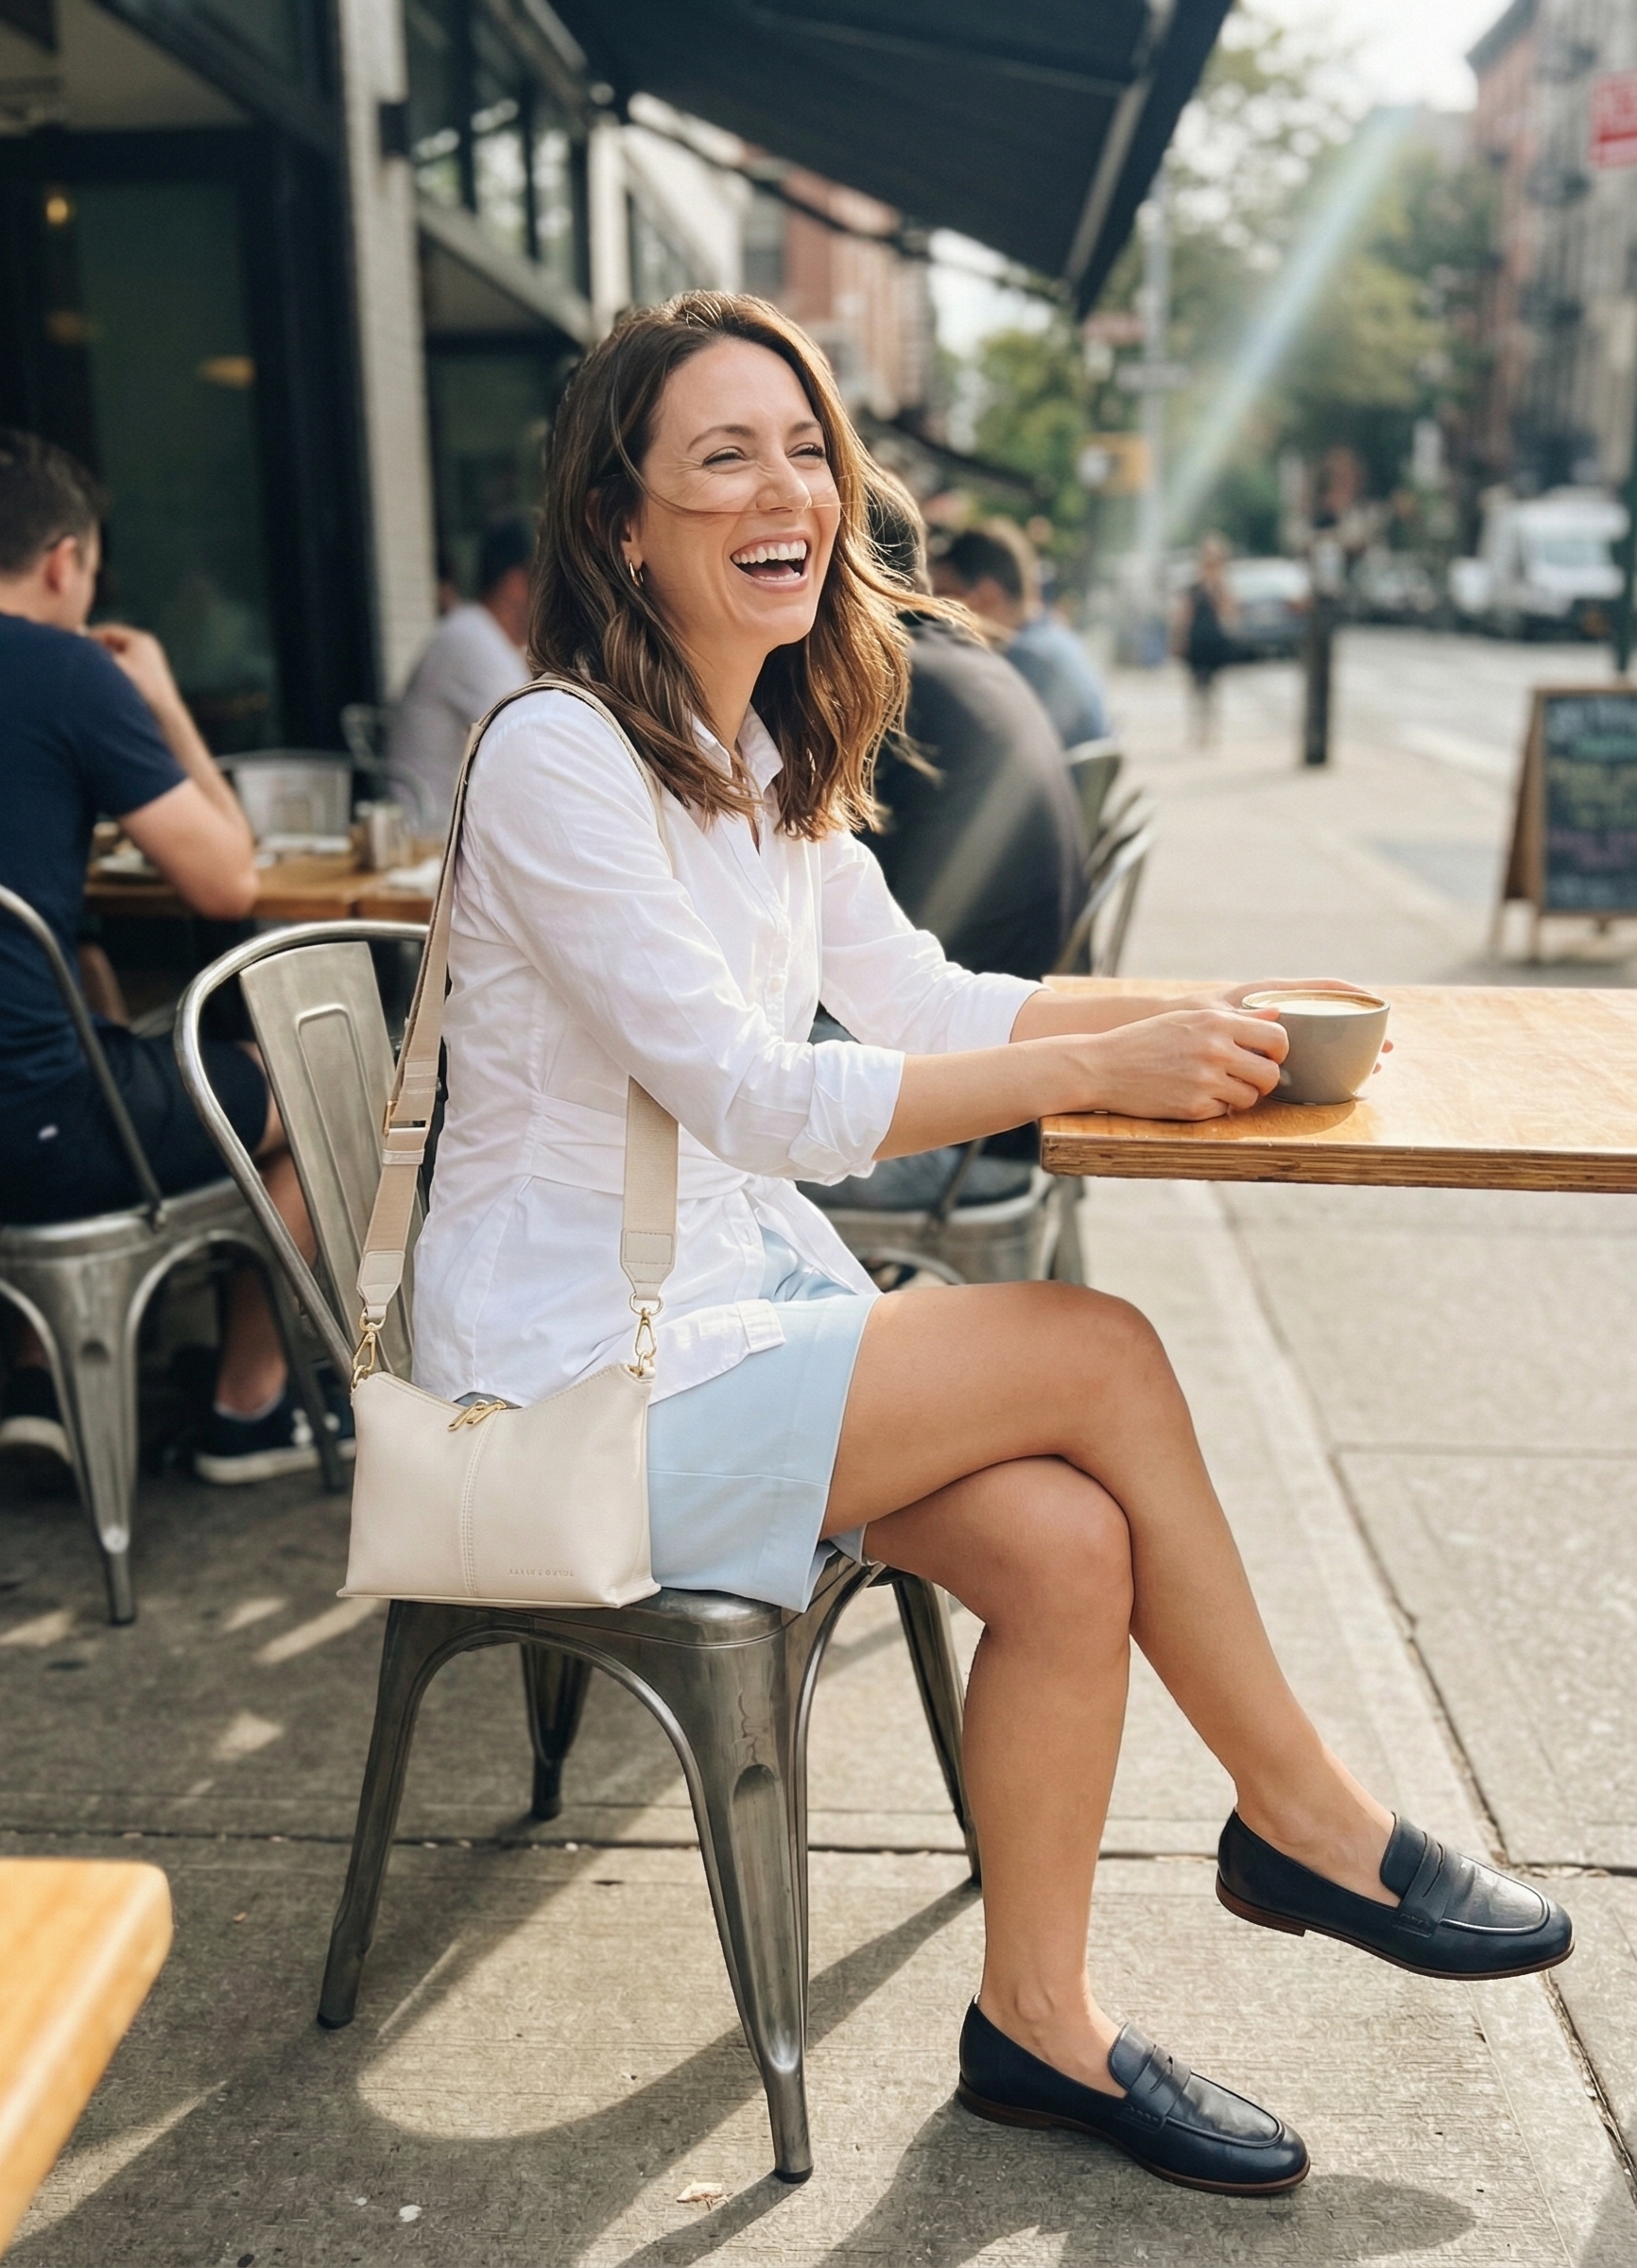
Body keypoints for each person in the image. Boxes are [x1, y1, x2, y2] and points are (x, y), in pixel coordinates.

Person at [412, 292, 1571, 2199]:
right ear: (621, 524)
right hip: (556, 1391)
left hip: (724, 1321)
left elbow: (928, 995)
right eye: (721, 457)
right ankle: (1301, 1818)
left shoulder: (764, 754)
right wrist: (1112, 1061)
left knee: (1064, 1542)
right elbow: (755, 1098)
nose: (781, 486)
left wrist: (1197, 1015)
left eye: (802, 448)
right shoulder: (557, 756)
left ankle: (1035, 2022)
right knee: (1095, 1353)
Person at [0, 427, 338, 1485]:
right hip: (37, 1131)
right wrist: (160, 698)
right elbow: (227, 881)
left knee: (20, 1018)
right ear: (63, 561)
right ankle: (247, 1409)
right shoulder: (64, 670)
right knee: (321, 1082)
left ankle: (44, 1384)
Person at [807, 470, 1084, 1211]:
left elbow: (827, 957)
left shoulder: (885, 687)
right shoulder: (971, 664)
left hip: (966, 1136)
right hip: (1008, 1099)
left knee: (678, 1152)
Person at [386, 513, 535, 830]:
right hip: (432, 843)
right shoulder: (472, 640)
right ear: (516, 584)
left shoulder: (485, 636)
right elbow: (536, 752)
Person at [934, 521, 1111, 749]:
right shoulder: (1055, 639)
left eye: (946, 595)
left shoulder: (1021, 659)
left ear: (987, 595)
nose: (936, 610)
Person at [1178, 532, 1238, 750]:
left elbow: (1229, 614)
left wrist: (1219, 588)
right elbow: (1185, 616)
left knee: (1214, 689)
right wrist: (1180, 641)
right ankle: (1196, 731)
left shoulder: (1222, 588)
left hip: (1214, 642)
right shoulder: (1193, 588)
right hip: (1197, 641)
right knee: (1196, 689)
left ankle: (1211, 731)